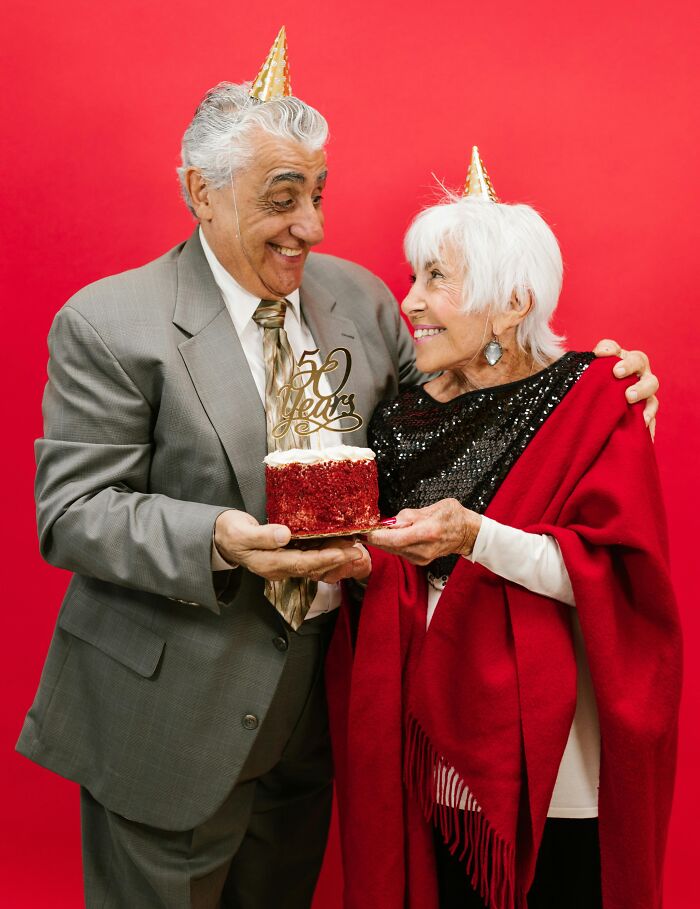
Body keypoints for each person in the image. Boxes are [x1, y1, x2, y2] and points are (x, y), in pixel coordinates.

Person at [17, 25, 658, 908]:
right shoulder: (110, 323)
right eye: (284, 198)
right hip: (167, 720)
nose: (311, 226)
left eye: (319, 194)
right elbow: (73, 511)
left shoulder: (358, 298)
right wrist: (221, 539)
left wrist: (597, 390)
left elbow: (466, 403)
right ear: (202, 193)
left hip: (319, 716)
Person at [326, 151, 681, 909]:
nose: (409, 300)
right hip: (439, 738)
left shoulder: (593, 395)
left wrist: (473, 536)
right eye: (413, 275)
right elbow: (396, 584)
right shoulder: (399, 419)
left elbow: (609, 577)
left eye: (435, 279)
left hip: (556, 760)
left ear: (512, 302)